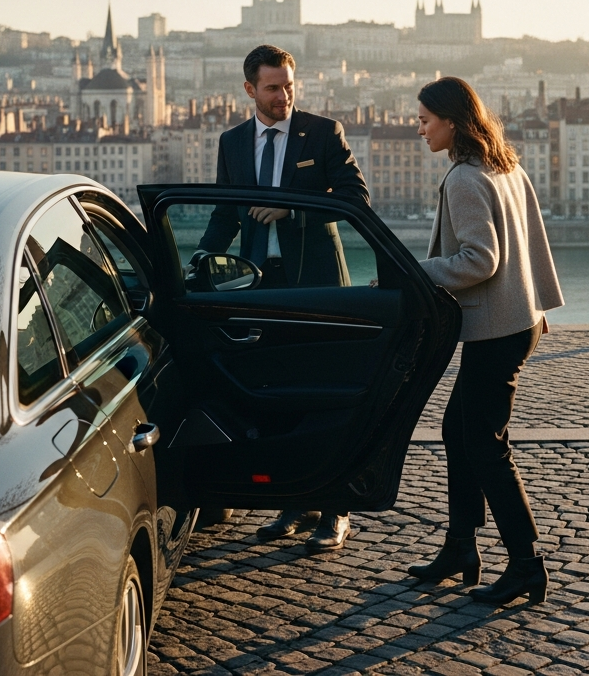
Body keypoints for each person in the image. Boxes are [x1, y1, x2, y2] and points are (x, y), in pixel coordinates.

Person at [192, 44, 369, 552]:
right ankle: (295, 502)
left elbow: (355, 198)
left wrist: (292, 211)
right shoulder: (232, 142)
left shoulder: (324, 131)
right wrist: (198, 262)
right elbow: (225, 215)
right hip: (259, 285)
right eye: (272, 87)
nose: (283, 96)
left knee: (326, 395)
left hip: (315, 283)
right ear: (250, 89)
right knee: (278, 394)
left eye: (289, 85)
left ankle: (336, 510)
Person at [407, 76, 563, 605]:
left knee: (486, 445)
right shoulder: (505, 164)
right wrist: (539, 303)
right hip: (519, 322)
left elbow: (482, 259)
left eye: (426, 119)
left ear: (451, 121)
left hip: (496, 329)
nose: (420, 128)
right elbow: (532, 243)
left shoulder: (466, 179)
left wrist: (416, 271)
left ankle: (526, 564)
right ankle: (460, 547)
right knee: (459, 430)